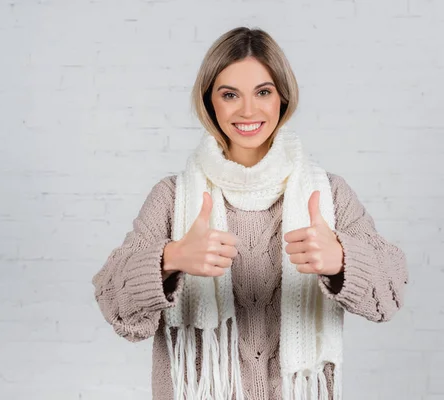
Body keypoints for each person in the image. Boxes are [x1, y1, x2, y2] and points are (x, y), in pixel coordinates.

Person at [91, 26, 408, 400]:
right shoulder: (172, 197)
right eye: (229, 95)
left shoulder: (328, 194)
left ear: (282, 100)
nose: (247, 110)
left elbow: (389, 297)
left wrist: (342, 259)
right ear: (210, 102)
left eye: (263, 92)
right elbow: (115, 307)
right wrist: (171, 258)